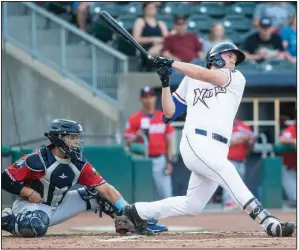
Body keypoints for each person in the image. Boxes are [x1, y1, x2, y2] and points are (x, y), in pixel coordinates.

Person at [119, 42, 296, 237]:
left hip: (218, 147)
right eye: (229, 56)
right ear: (215, 56)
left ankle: (136, 212)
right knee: (228, 171)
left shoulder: (235, 77)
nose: (233, 61)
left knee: (193, 205)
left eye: (234, 59)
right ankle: (267, 221)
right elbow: (169, 114)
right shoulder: (190, 79)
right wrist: (165, 83)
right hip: (196, 141)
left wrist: (172, 63)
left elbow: (205, 75)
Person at [1, 119, 165, 237]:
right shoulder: (36, 159)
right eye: (72, 137)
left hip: (59, 206)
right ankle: (7, 219)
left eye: (77, 137)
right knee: (35, 226)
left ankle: (128, 222)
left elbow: (107, 189)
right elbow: (5, 179)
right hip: (31, 207)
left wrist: (130, 210)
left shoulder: (79, 164)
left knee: (98, 193)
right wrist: (27, 191)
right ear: (59, 138)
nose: (77, 141)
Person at [124, 87, 175, 201]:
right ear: (141, 100)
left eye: (151, 97)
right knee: (143, 196)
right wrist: (138, 136)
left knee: (166, 195)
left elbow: (169, 141)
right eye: (145, 97)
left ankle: (169, 219)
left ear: (155, 98)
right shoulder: (134, 119)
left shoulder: (163, 117)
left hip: (160, 160)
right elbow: (127, 142)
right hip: (141, 160)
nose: (148, 100)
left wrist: (169, 161)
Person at [223, 119, 255, 210]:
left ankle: (237, 202)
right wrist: (237, 141)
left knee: (239, 183)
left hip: (241, 160)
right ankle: (228, 202)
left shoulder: (244, 126)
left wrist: (247, 141)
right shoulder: (222, 125)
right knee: (228, 181)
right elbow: (219, 143)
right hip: (229, 159)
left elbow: (251, 144)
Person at [132, 2, 169, 71]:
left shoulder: (161, 23)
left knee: (165, 50)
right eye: (149, 8)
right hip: (146, 49)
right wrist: (152, 39)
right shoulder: (140, 21)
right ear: (144, 10)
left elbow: (167, 39)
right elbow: (136, 39)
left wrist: (159, 42)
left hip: (160, 47)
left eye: (153, 8)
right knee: (161, 51)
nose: (151, 10)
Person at [279, 121, 297, 208]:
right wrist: (294, 140)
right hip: (289, 167)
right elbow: (281, 139)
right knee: (294, 197)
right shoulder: (292, 129)